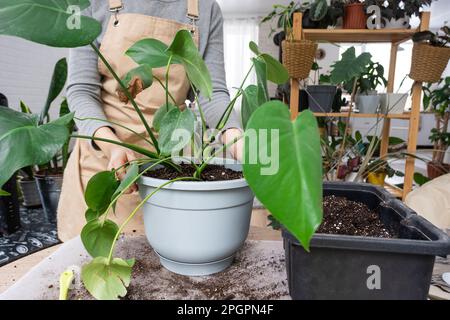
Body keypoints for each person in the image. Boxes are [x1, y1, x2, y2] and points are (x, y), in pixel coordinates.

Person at [58, 0, 243, 241]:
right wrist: (113, 147)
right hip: (106, 161)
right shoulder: (90, 4)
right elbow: (81, 90)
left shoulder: (206, 9)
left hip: (170, 168)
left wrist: (239, 141)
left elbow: (211, 93)